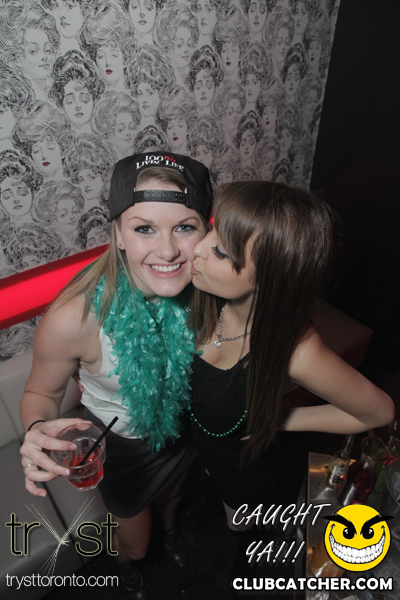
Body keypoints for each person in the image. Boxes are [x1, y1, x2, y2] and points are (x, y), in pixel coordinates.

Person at [20, 152, 213, 600]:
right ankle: (128, 567)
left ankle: (171, 531)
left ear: (206, 232)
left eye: (184, 227)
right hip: (121, 451)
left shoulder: (209, 290)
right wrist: (37, 429)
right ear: (119, 234)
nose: (167, 250)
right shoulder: (75, 317)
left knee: (174, 498)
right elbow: (40, 393)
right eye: (144, 228)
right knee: (135, 543)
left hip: (182, 431)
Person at [189, 180, 394, 576]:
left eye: (220, 251)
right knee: (214, 498)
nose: (198, 248)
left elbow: (378, 412)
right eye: (211, 230)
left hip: (246, 475)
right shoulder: (205, 294)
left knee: (241, 529)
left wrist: (283, 420)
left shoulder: (295, 349)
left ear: (269, 277)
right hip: (207, 453)